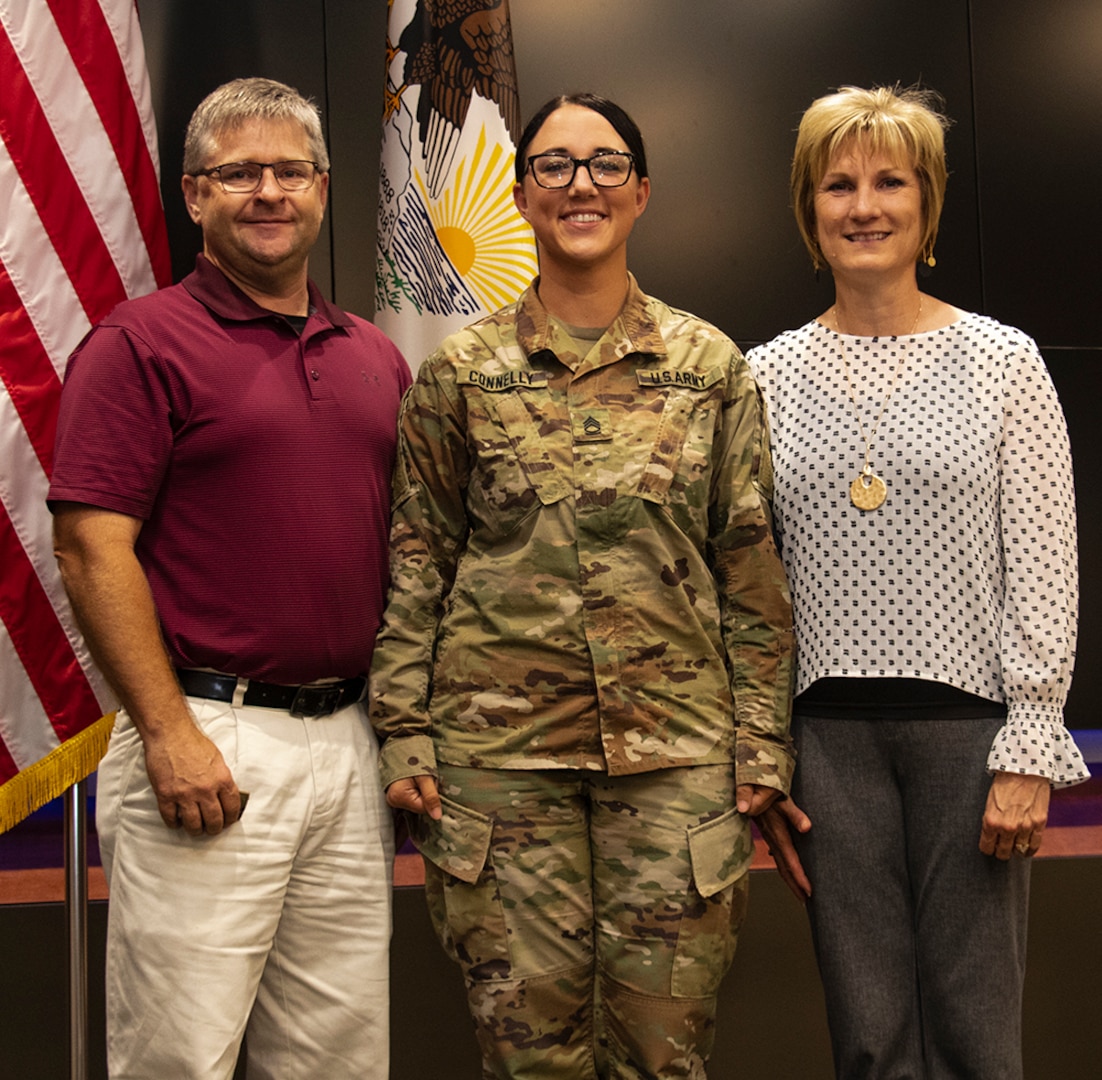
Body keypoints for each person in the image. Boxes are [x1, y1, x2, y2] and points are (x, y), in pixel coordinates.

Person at [368, 93, 796, 1078]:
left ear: (641, 192)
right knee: (531, 1063)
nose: (580, 186)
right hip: (499, 764)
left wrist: (761, 741)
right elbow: (419, 555)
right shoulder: (459, 376)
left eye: (604, 165)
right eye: (554, 166)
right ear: (520, 194)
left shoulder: (708, 368)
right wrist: (403, 729)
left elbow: (747, 563)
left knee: (664, 1055)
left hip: (677, 763)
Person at [49, 77, 410, 1079]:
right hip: (207, 742)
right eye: (237, 172)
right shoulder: (137, 346)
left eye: (288, 170)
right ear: (193, 194)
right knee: (180, 1056)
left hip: (347, 742)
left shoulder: (375, 357)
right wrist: (168, 732)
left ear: (324, 188)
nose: (267, 192)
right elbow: (90, 547)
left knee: (335, 1059)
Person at [747, 84, 1090, 1080]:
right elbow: (748, 585)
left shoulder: (1002, 362)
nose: (864, 206)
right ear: (809, 209)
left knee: (977, 1034)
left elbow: (1042, 561)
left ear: (925, 203)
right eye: (838, 184)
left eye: (889, 181)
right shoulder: (761, 376)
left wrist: (1029, 738)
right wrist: (763, 753)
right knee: (867, 1034)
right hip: (825, 746)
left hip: (970, 743)